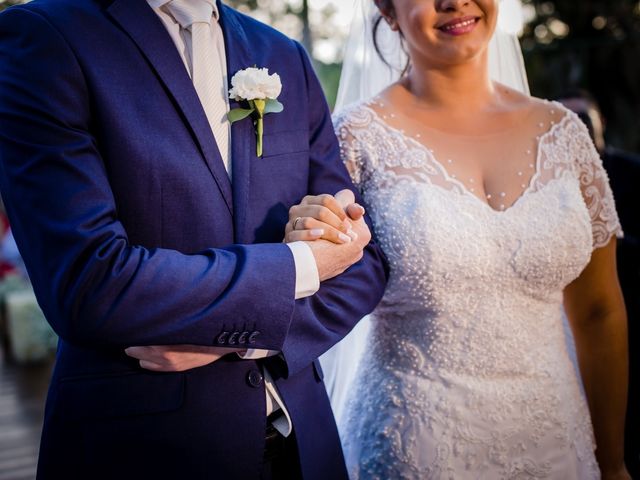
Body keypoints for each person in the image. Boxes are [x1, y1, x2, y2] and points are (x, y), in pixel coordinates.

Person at [0, 0, 388, 478]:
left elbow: (361, 261)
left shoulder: (283, 54)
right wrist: (302, 264)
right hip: (145, 452)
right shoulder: (44, 38)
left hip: (305, 448)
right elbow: (88, 280)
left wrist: (242, 343)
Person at [286, 0, 630, 478]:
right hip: (415, 445)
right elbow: (319, 279)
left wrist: (612, 463)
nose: (453, 1)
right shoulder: (354, 137)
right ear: (387, 10)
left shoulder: (565, 133)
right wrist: (309, 230)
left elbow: (599, 310)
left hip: (557, 439)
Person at [558, 90, 640, 479]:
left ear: (601, 122)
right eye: (570, 118)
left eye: (585, 119)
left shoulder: (631, 170)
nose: (580, 127)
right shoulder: (551, 171)